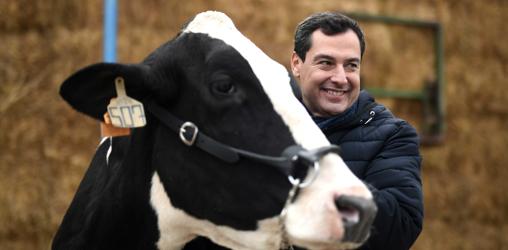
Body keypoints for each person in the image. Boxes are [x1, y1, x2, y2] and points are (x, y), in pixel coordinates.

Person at [289, 11, 423, 250]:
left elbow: (401, 226)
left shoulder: (392, 135)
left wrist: (318, 185)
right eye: (326, 63)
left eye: (351, 65)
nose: (341, 78)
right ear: (297, 64)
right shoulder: (265, 124)